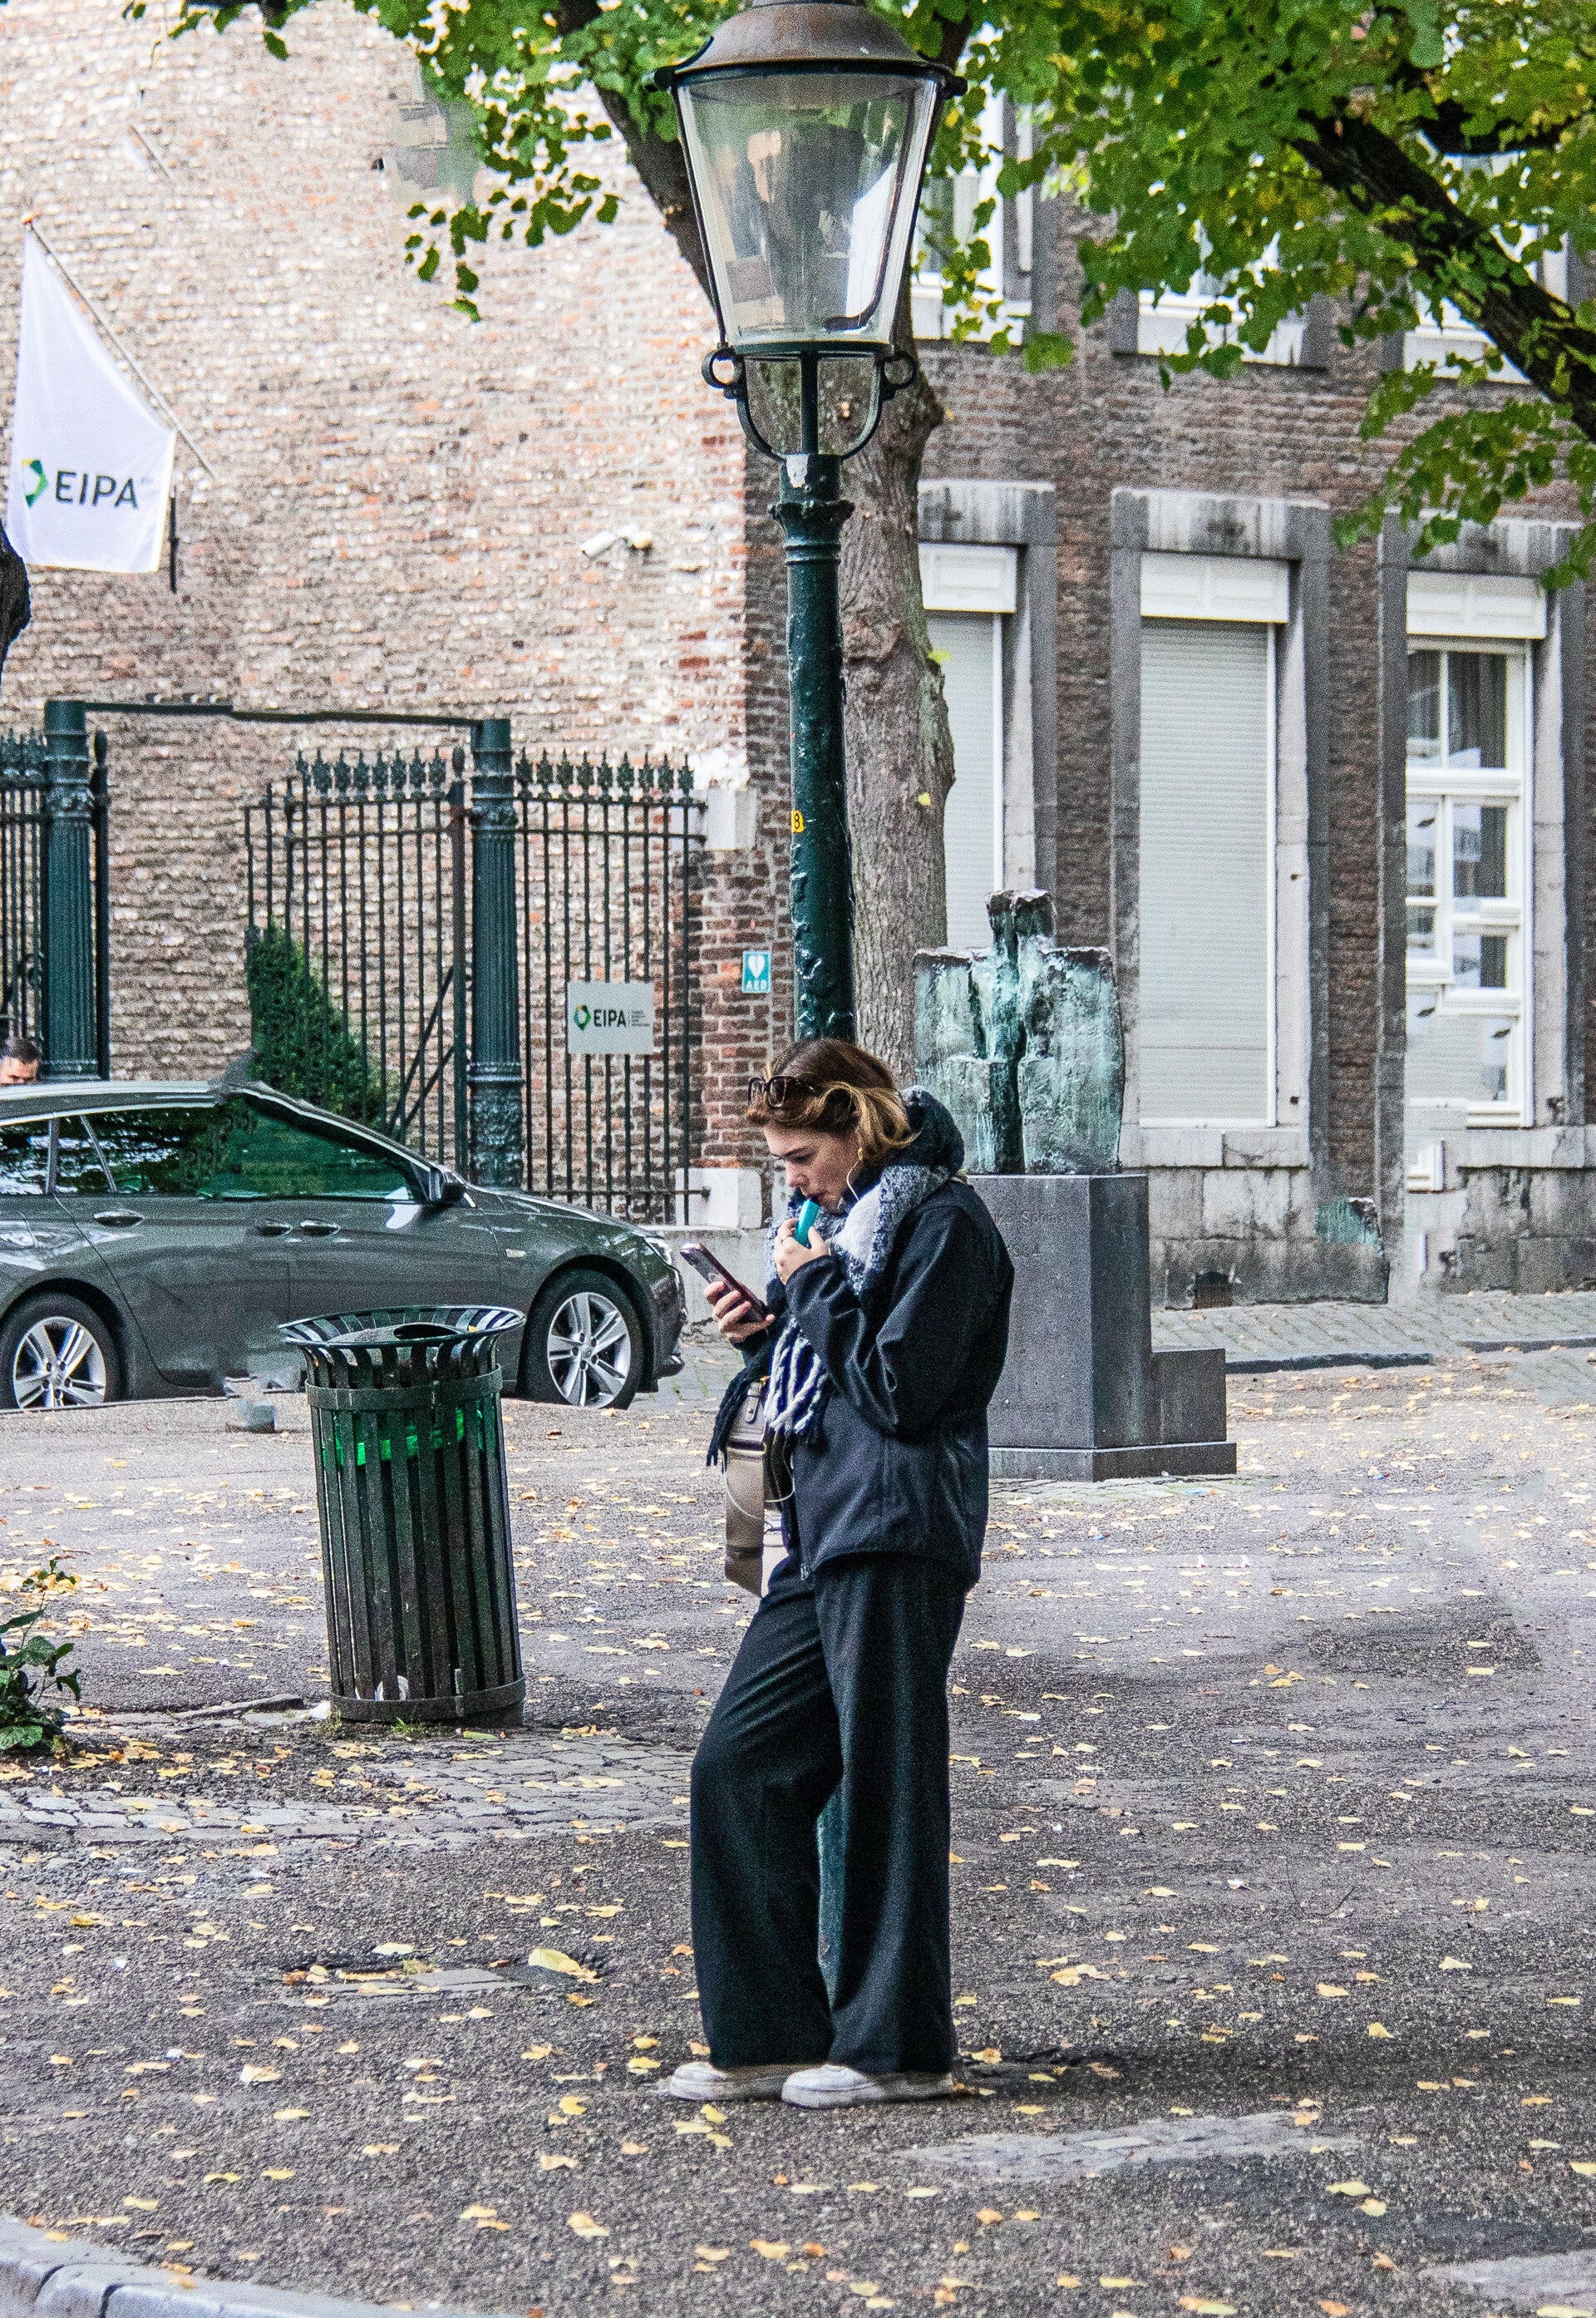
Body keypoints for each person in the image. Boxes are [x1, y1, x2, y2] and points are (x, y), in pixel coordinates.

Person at [664, 1038, 1013, 2111]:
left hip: (899, 1528)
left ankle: (896, 2049)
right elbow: (840, 1371)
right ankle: (770, 2036)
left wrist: (810, 1287)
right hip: (827, 1529)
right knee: (738, 1768)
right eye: (781, 1161)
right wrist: (765, 1336)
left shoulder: (945, 1224)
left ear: (859, 1129)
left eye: (803, 1157)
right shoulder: (849, 1229)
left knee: (886, 1788)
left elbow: (903, 1390)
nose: (795, 1180)